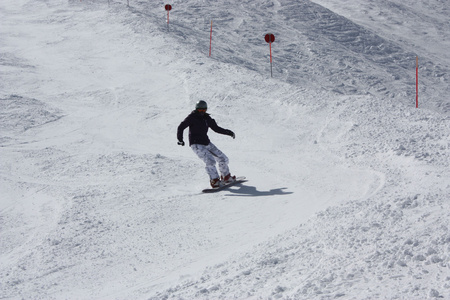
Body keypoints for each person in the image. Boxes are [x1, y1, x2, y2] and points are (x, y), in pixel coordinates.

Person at [177, 100, 236, 188]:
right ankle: (214, 180)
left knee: (222, 158)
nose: (202, 112)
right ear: (197, 109)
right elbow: (181, 127)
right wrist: (180, 139)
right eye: (200, 110)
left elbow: (216, 128)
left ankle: (226, 177)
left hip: (206, 142)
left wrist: (228, 132)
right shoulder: (192, 117)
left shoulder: (206, 118)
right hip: (196, 144)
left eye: (204, 110)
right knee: (210, 161)